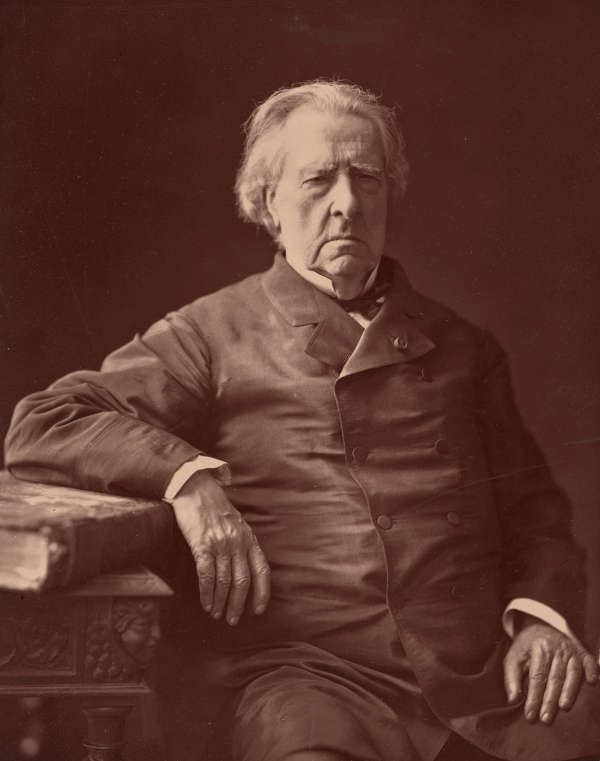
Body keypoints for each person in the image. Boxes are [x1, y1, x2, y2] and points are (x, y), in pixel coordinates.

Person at [4, 80, 600, 761]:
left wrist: (540, 619)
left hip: (480, 679)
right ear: (268, 204)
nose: (346, 203)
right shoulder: (213, 333)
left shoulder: (465, 347)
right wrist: (190, 483)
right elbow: (46, 421)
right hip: (304, 679)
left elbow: (536, 515)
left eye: (366, 179)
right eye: (318, 180)